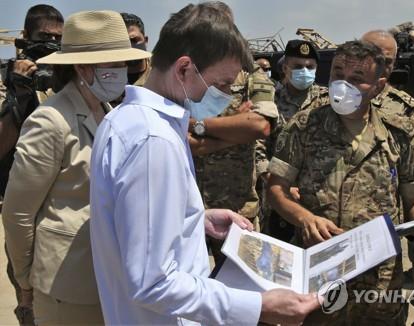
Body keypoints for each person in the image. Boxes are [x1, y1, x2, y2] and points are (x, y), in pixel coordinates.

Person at [89, 3, 319, 325]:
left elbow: (131, 225)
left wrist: (194, 220)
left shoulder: (124, 119)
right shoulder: (153, 141)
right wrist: (258, 306)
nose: (225, 96)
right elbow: (154, 284)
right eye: (222, 84)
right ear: (184, 69)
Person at [267, 40, 414, 325]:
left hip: (379, 285)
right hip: (321, 276)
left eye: (357, 79)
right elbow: (276, 189)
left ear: (380, 86)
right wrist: (305, 218)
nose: (343, 85)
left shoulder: (400, 133)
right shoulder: (304, 126)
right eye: (337, 75)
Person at [2, 10, 150, 325]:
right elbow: (18, 213)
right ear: (82, 67)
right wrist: (26, 279)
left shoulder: (108, 110)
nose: (123, 71)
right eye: (114, 64)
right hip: (66, 285)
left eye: (124, 63)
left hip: (108, 276)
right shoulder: (50, 119)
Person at [188, 1, 278, 266]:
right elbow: (183, 140)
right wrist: (234, 125)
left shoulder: (251, 74)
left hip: (237, 208)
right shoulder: (183, 73)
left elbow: (259, 126)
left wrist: (198, 125)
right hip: (185, 207)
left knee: (244, 289)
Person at [0, 4, 63, 325]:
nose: (51, 42)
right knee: (32, 305)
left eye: (57, 38)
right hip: (24, 212)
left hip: (64, 212)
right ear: (25, 37)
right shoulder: (6, 79)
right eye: (43, 36)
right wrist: (17, 94)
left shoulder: (64, 80)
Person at [257, 39, 330, 241]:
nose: (304, 71)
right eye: (298, 66)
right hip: (277, 196)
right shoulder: (269, 100)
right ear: (285, 67)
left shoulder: (328, 101)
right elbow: (257, 146)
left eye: (309, 67)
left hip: (318, 197)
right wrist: (272, 180)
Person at [120, 12, 151, 86]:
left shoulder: (161, 73)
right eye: (123, 42)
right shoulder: (108, 78)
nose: (129, 47)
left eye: (134, 40)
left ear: (145, 41)